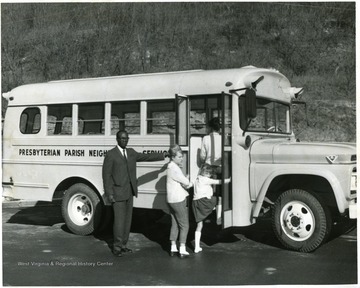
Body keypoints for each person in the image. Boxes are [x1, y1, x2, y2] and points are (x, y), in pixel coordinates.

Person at [102, 130, 167, 257]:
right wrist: (109, 194)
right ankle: (117, 247)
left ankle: (124, 245)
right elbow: (106, 176)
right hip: (118, 194)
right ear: (117, 139)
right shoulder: (111, 155)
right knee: (119, 222)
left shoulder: (131, 153)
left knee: (127, 221)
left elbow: (146, 156)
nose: (124, 141)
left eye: (126, 138)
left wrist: (163, 155)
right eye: (122, 138)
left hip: (129, 192)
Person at [192, 164, 231, 253]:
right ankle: (218, 218)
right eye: (209, 173)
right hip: (203, 202)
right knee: (219, 199)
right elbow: (218, 182)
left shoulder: (197, 178)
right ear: (205, 173)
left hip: (195, 203)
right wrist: (228, 180)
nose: (210, 175)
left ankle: (196, 247)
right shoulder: (205, 179)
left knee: (199, 225)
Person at [166, 144, 193, 258]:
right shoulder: (174, 168)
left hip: (171, 200)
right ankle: (182, 249)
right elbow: (186, 182)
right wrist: (190, 182)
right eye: (179, 156)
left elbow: (179, 180)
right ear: (173, 157)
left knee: (175, 224)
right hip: (178, 199)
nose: (182, 158)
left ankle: (173, 247)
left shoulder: (170, 167)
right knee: (185, 225)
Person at [199, 117, 223, 225]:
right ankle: (218, 218)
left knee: (207, 192)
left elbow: (202, 155)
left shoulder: (205, 138)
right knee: (219, 193)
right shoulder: (223, 139)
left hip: (208, 168)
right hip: (220, 168)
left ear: (210, 128)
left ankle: (206, 215)